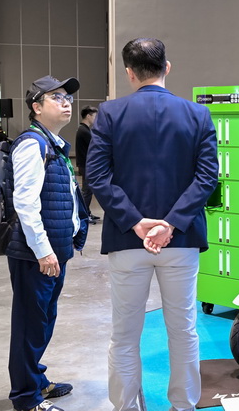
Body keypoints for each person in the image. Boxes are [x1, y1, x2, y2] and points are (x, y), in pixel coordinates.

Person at [86, 38, 218, 411]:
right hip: (182, 240)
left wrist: (135, 221)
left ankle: (126, 406)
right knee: (183, 331)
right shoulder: (197, 115)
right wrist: (171, 224)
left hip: (127, 241)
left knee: (124, 335)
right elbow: (207, 178)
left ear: (129, 73)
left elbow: (97, 175)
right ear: (167, 68)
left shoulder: (110, 114)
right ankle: (183, 405)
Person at [7, 75, 89, 411]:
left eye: (67, 97)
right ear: (36, 107)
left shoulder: (51, 144)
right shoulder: (33, 144)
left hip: (55, 251)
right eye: (56, 97)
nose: (66, 102)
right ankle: (26, 397)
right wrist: (43, 251)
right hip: (36, 256)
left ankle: (35, 380)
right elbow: (25, 203)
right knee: (30, 324)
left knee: (42, 321)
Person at [75, 105, 99, 224]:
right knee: (87, 191)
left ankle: (87, 212)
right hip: (86, 165)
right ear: (88, 116)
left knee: (88, 191)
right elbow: (95, 146)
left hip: (85, 164)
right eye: (95, 116)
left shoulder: (84, 129)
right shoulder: (84, 131)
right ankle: (84, 214)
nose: (96, 119)